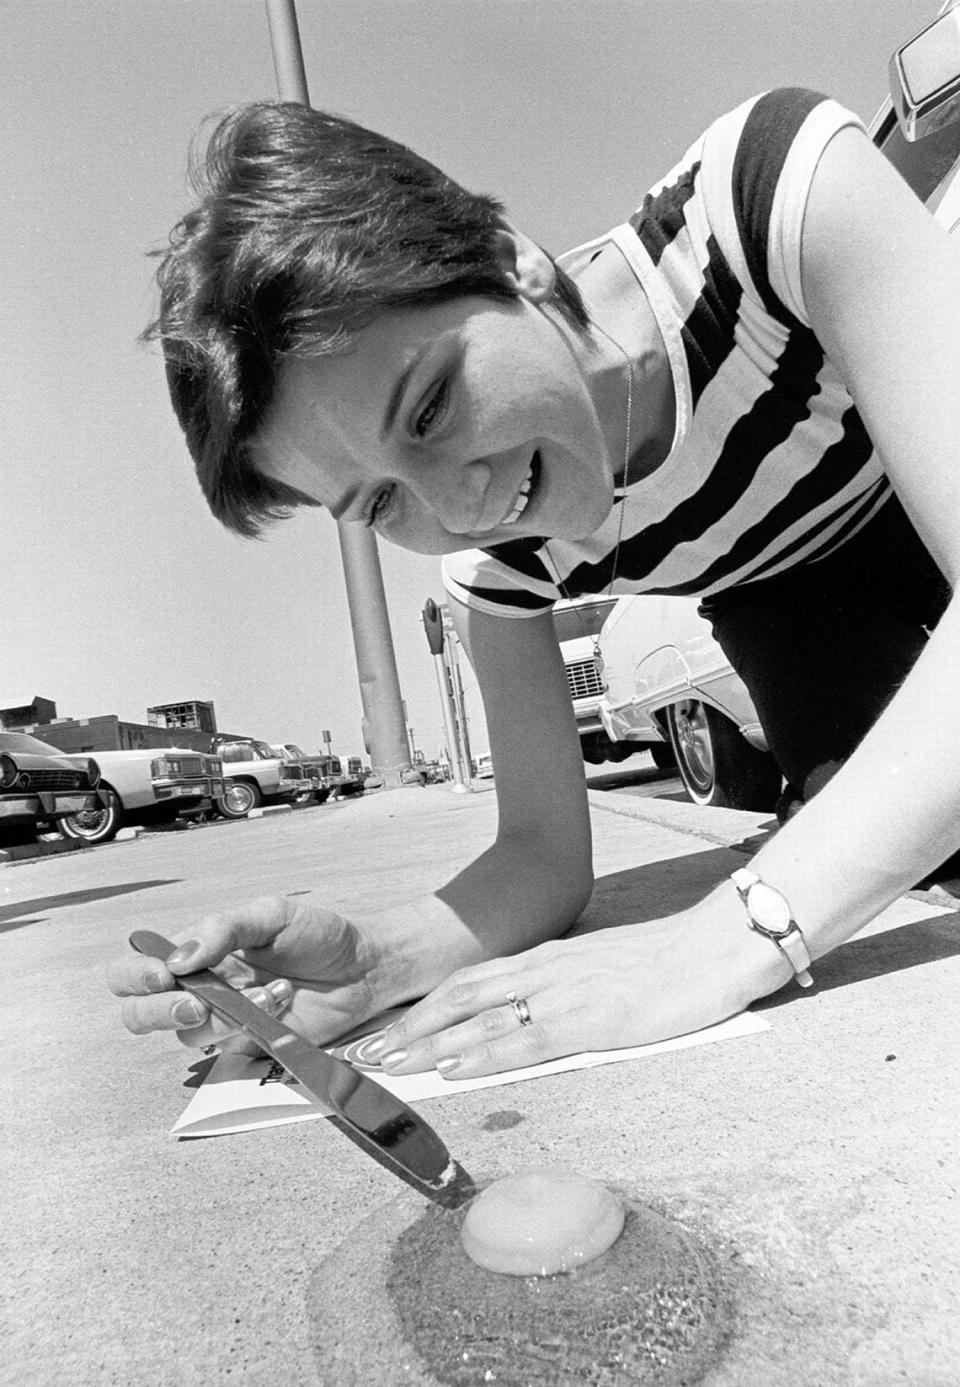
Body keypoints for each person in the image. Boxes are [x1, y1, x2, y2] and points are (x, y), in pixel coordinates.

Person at [108, 87, 960, 1081]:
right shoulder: (495, 567)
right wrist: (373, 961)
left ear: (514, 259)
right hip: (801, 614)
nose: (461, 509)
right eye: (380, 504)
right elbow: (545, 856)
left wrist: (720, 942)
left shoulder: (772, 198)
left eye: (428, 408)